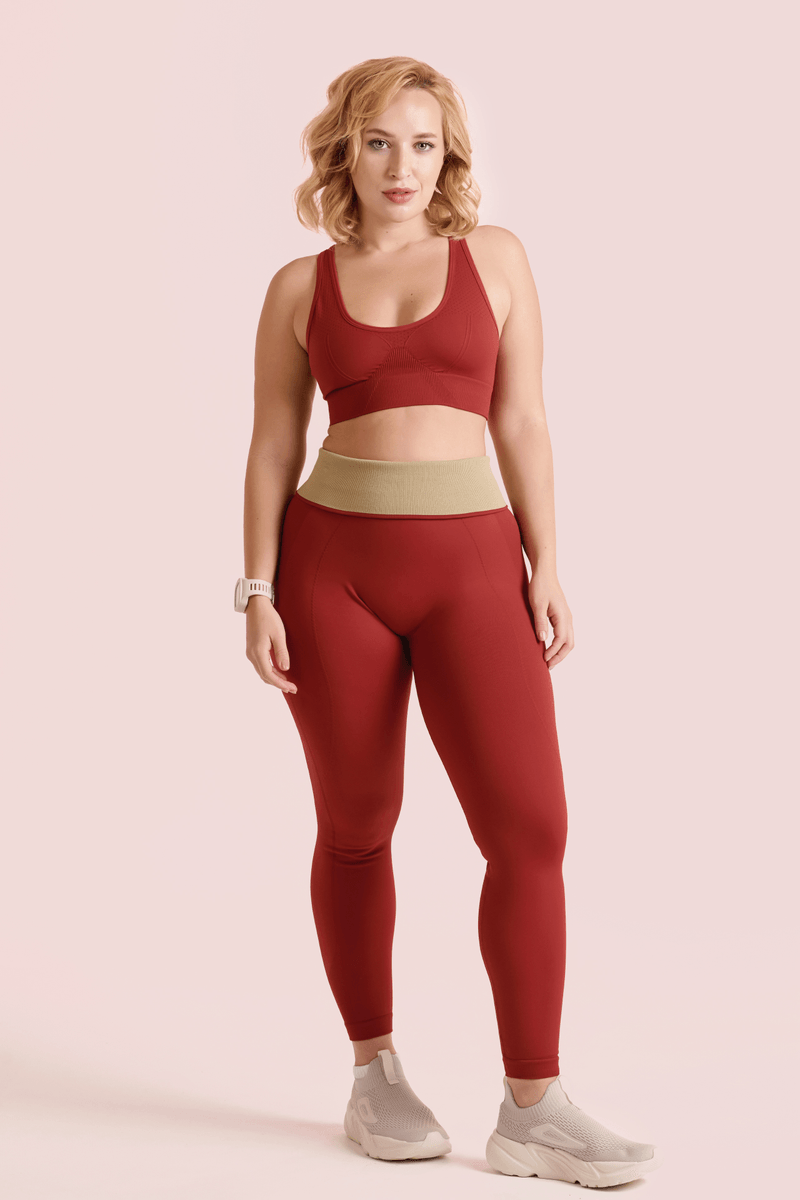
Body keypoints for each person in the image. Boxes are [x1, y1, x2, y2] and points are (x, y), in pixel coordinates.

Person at [236, 56, 660, 1186]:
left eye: (422, 144)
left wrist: (547, 563)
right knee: (357, 823)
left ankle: (534, 1106)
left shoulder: (496, 258)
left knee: (530, 829)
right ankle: (373, 1073)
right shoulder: (298, 286)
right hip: (332, 574)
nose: (402, 166)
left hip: (474, 568)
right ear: (345, 150)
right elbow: (274, 444)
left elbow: (522, 419)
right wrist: (256, 588)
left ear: (448, 155)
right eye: (379, 141)